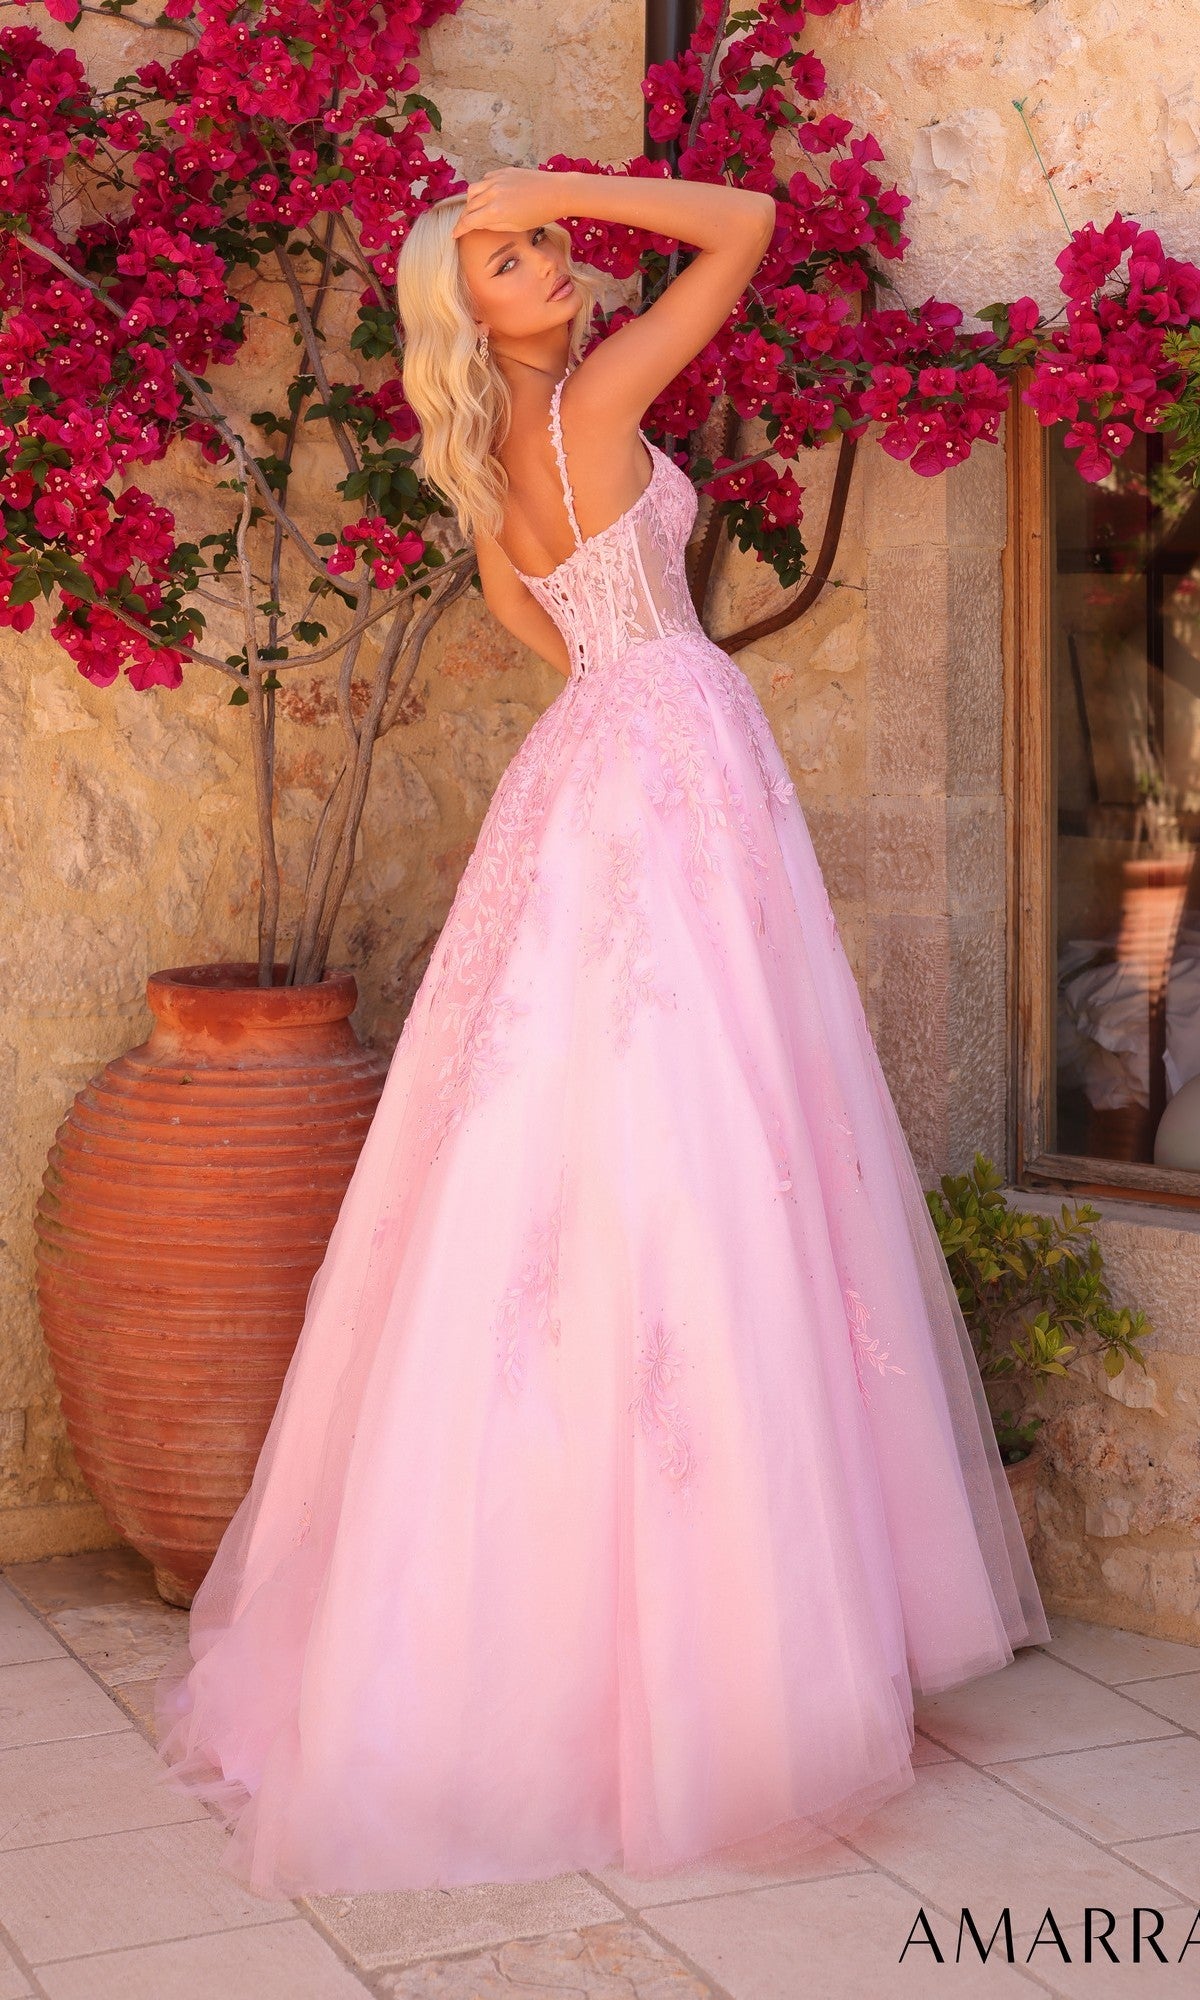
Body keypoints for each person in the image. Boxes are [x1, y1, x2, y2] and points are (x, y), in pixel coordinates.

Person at [152, 164, 1052, 1900]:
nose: (549, 261)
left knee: (563, 1124)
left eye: (546, 240)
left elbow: (525, 621)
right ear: (468, 310)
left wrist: (617, 657)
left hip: (586, 752)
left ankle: (550, 1612)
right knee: (711, 1106)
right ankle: (720, 1648)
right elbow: (746, 231)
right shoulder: (605, 391)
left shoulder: (492, 456)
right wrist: (567, 173)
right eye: (506, 257)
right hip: (676, 749)